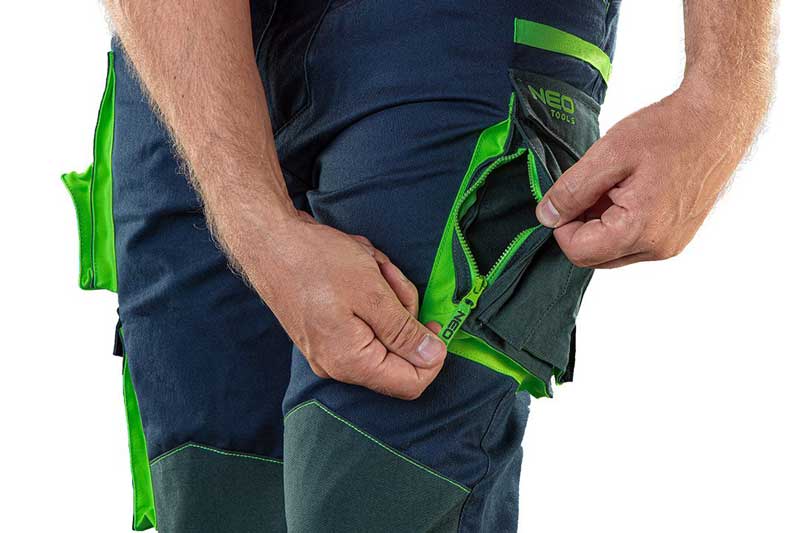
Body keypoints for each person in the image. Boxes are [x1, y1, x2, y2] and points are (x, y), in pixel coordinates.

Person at [89, 1, 774, 531]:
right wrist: (251, 221)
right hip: (185, 45)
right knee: (215, 501)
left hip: (458, 28)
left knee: (373, 496)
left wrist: (723, 89)